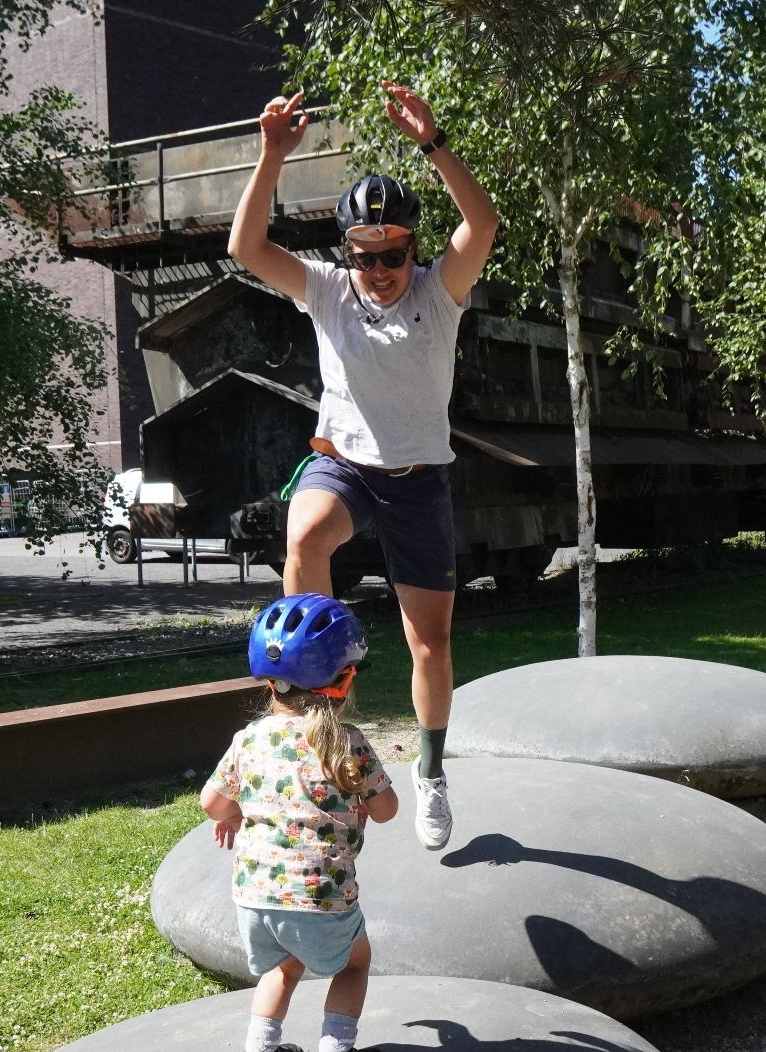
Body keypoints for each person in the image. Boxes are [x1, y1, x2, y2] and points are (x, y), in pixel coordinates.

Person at [228, 80, 498, 853]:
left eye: (392, 255)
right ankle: (309, 720)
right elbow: (246, 249)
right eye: (363, 256)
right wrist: (271, 156)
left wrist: (434, 141)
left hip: (419, 481)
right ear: (344, 252)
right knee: (303, 530)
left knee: (430, 646)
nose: (377, 269)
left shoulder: (439, 293)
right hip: (343, 466)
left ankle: (433, 771)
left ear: (412, 247)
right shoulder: (327, 291)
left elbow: (482, 223)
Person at [200, 593, 400, 1052]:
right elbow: (387, 809)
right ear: (345, 678)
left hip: (254, 896)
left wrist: (242, 809)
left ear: (269, 683)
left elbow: (212, 805)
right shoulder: (347, 742)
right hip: (321, 896)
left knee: (281, 968)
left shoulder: (249, 740)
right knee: (354, 965)